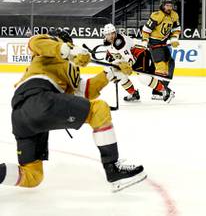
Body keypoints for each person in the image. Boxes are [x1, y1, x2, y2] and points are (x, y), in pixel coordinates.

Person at [0, 30, 146, 192]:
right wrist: (67, 50)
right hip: (39, 98)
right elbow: (35, 43)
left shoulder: (69, 69)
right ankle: (113, 169)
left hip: (21, 116)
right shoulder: (46, 48)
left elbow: (87, 91)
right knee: (99, 109)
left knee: (32, 176)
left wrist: (110, 73)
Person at [102, 23, 174, 102]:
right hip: (131, 57)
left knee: (143, 78)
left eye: (112, 33)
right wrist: (113, 71)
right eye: (108, 34)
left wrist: (126, 67)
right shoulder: (106, 42)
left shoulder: (120, 42)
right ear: (105, 35)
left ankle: (165, 91)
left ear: (115, 32)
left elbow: (130, 59)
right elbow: (111, 56)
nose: (111, 36)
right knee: (120, 75)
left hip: (141, 54)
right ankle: (134, 94)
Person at [141, 0, 180, 100]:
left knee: (170, 64)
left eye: (170, 6)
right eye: (167, 5)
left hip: (163, 43)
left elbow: (176, 29)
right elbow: (146, 30)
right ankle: (157, 92)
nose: (169, 7)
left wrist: (174, 39)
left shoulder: (174, 15)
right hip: (154, 43)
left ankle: (163, 88)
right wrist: (145, 41)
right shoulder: (157, 16)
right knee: (161, 67)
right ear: (162, 6)